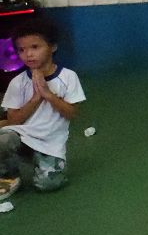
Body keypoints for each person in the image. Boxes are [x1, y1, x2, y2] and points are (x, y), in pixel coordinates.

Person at [0, 19, 86, 198]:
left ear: (52, 47)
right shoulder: (18, 82)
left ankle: (48, 167)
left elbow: (71, 113)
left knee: (47, 185)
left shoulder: (68, 77)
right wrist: (36, 99)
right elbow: (13, 121)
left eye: (35, 47)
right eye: (21, 50)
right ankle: (9, 176)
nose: (28, 54)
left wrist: (48, 94)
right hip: (23, 137)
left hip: (49, 144)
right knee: (4, 139)